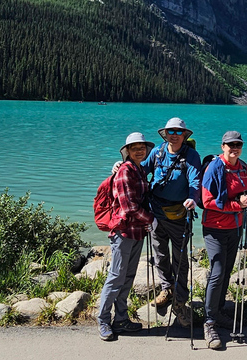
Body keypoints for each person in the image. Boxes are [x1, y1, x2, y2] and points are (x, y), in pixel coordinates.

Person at [141, 117, 202, 326]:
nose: (174, 135)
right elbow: (140, 171)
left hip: (179, 214)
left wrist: (193, 199)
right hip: (155, 212)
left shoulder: (191, 156)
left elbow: (195, 182)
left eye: (178, 132)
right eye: (171, 132)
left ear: (184, 135)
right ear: (165, 134)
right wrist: (121, 167)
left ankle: (180, 300)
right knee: (159, 253)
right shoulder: (157, 153)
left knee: (180, 258)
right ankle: (166, 289)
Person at [97, 132, 156, 341]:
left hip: (137, 232)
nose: (140, 151)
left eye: (142, 148)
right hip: (123, 232)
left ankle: (120, 319)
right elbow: (129, 207)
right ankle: (103, 320)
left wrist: (146, 221)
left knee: (128, 277)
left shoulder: (139, 170)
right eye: (135, 148)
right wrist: (151, 219)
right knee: (116, 277)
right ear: (127, 151)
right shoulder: (125, 172)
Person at [201, 131, 247, 350]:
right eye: (230, 145)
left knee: (227, 270)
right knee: (218, 271)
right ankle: (209, 321)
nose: (234, 148)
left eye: (238, 145)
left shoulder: (243, 167)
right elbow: (206, 200)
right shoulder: (214, 167)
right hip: (215, 228)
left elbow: (243, 193)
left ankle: (219, 309)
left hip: (235, 227)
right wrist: (236, 205)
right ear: (222, 146)